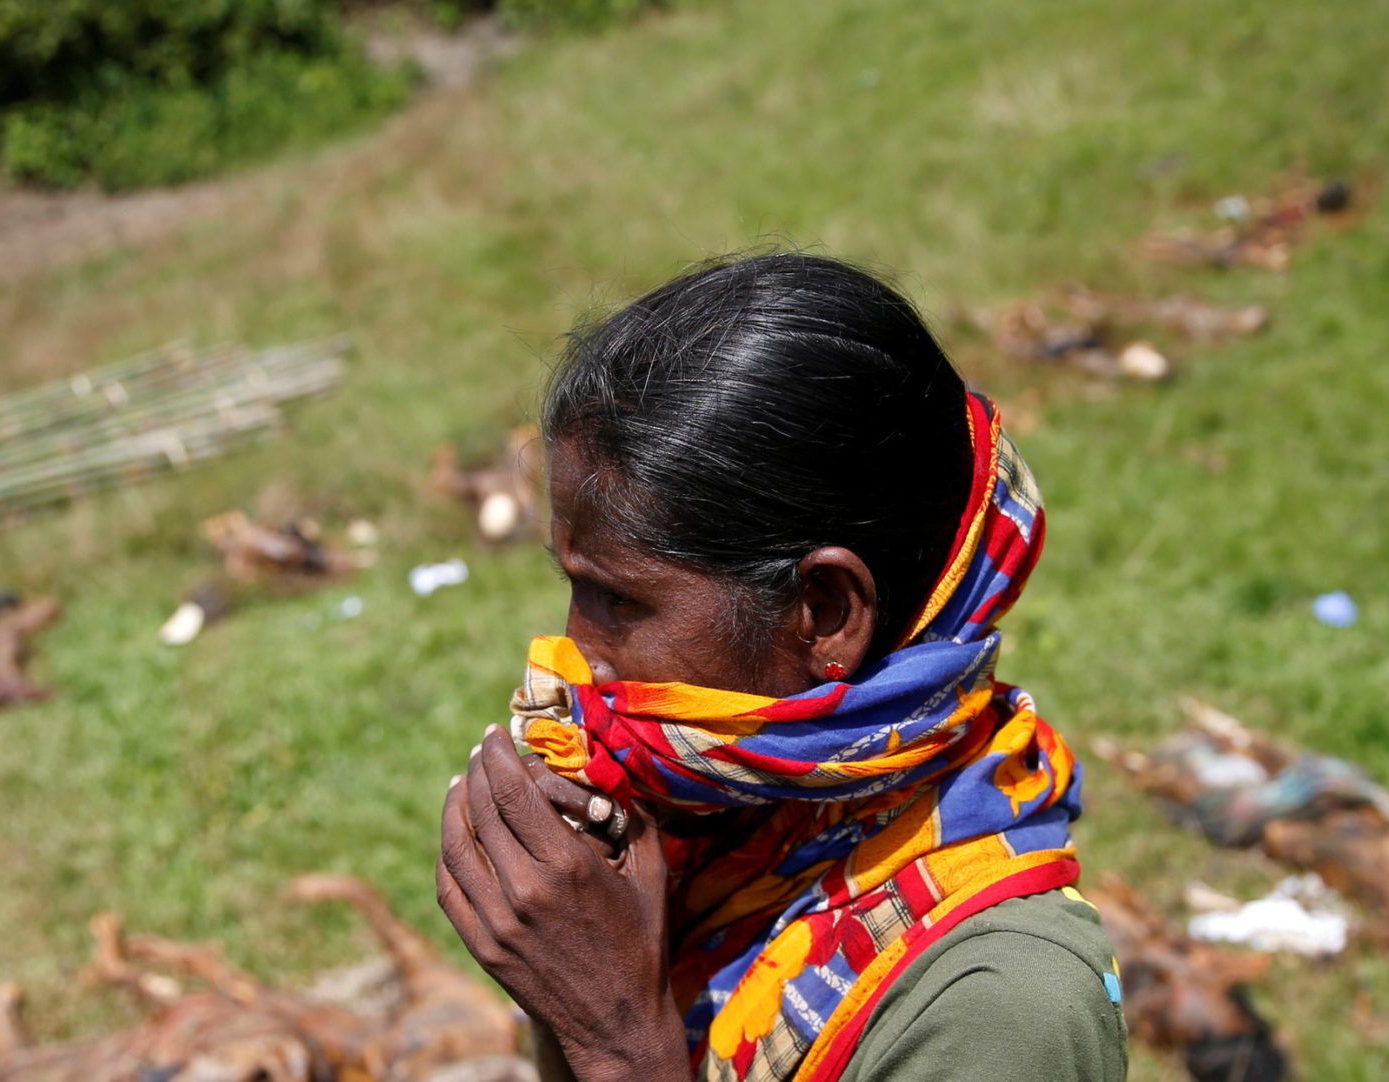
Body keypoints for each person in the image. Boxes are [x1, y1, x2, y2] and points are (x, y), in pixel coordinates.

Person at [438, 253, 1129, 1082]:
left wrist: (619, 1041)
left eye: (619, 602)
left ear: (826, 614)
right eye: (573, 590)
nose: (576, 653)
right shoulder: (720, 833)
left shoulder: (1000, 1011)